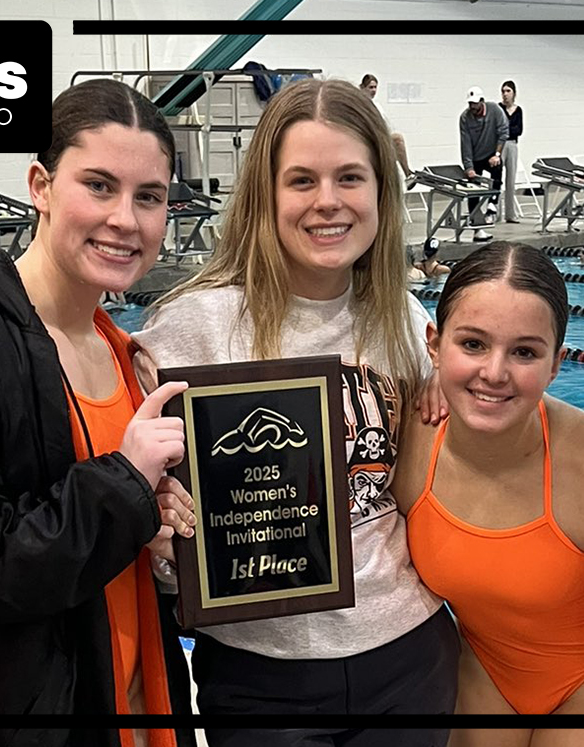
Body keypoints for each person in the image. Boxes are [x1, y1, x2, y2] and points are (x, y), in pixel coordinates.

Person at [135, 78, 457, 747]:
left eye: (350, 177)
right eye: (302, 180)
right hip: (259, 673)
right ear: (266, 193)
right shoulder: (192, 327)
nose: (327, 201)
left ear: (381, 191)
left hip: (408, 653)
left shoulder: (403, 317)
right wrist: (159, 535)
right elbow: (140, 498)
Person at [0, 78, 196, 747]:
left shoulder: (119, 347)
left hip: (134, 697)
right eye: (99, 186)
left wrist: (156, 531)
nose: (125, 219)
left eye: (149, 196)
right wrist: (124, 487)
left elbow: (103, 533)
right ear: (40, 186)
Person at [394, 242, 584, 747]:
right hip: (486, 666)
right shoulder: (406, 447)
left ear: (557, 364)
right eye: (472, 344)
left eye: (524, 352)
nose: (494, 373)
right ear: (434, 344)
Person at [459, 85, 510, 242]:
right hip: (475, 156)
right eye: (470, 104)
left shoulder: (494, 110)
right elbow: (465, 144)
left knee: (497, 168)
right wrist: (469, 167)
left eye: (475, 103)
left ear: (482, 101)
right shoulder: (465, 117)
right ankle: (477, 229)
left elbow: (503, 133)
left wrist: (497, 154)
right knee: (473, 190)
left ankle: (492, 204)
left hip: (490, 154)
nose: (472, 107)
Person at [359, 73, 415, 187]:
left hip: (380, 139)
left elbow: (386, 125)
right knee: (398, 139)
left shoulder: (377, 106)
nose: (374, 90)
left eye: (375, 87)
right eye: (370, 87)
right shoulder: (360, 105)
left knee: (398, 140)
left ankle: (407, 174)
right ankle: (408, 173)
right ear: (363, 88)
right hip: (369, 141)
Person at [497, 80, 524, 224]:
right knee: (497, 179)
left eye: (508, 91)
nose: (505, 94)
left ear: (514, 93)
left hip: (512, 144)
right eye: (503, 91)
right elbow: (498, 128)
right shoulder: (498, 109)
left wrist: (506, 129)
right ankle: (495, 213)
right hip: (500, 144)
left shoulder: (518, 110)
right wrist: (507, 130)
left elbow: (518, 130)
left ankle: (510, 214)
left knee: (511, 180)